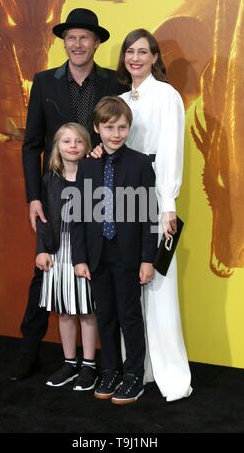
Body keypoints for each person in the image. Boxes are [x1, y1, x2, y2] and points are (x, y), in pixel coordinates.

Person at [10, 8, 126, 382]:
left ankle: (102, 363)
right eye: (71, 37)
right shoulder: (44, 82)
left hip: (99, 193)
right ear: (64, 42)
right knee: (45, 274)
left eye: (85, 38)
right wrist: (33, 197)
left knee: (97, 272)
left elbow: (121, 135)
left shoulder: (113, 83)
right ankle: (30, 353)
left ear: (96, 43)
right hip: (54, 194)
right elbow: (31, 145)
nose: (77, 44)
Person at [92, 29, 192, 401]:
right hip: (120, 203)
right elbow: (113, 144)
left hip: (154, 199)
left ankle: (166, 371)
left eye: (143, 52)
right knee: (125, 291)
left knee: (157, 286)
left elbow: (170, 151)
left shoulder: (167, 96)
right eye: (129, 51)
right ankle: (135, 367)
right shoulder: (118, 100)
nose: (135, 58)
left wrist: (168, 203)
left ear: (154, 57)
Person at [71, 96, 158, 404]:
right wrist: (79, 258)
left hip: (128, 256)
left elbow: (150, 216)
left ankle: (134, 374)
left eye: (122, 127)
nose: (116, 134)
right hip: (97, 255)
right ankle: (110, 370)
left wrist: (148, 259)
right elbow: (79, 216)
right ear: (97, 128)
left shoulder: (140, 164)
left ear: (129, 128)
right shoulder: (87, 167)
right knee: (105, 314)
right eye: (109, 127)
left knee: (129, 315)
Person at [35, 122, 98, 390]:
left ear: (87, 147)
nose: (72, 146)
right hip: (58, 250)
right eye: (66, 141)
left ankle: (89, 366)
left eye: (78, 141)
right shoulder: (50, 178)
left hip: (85, 251)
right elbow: (44, 218)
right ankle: (69, 362)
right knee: (63, 310)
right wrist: (41, 250)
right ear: (57, 147)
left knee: (86, 309)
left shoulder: (94, 175)